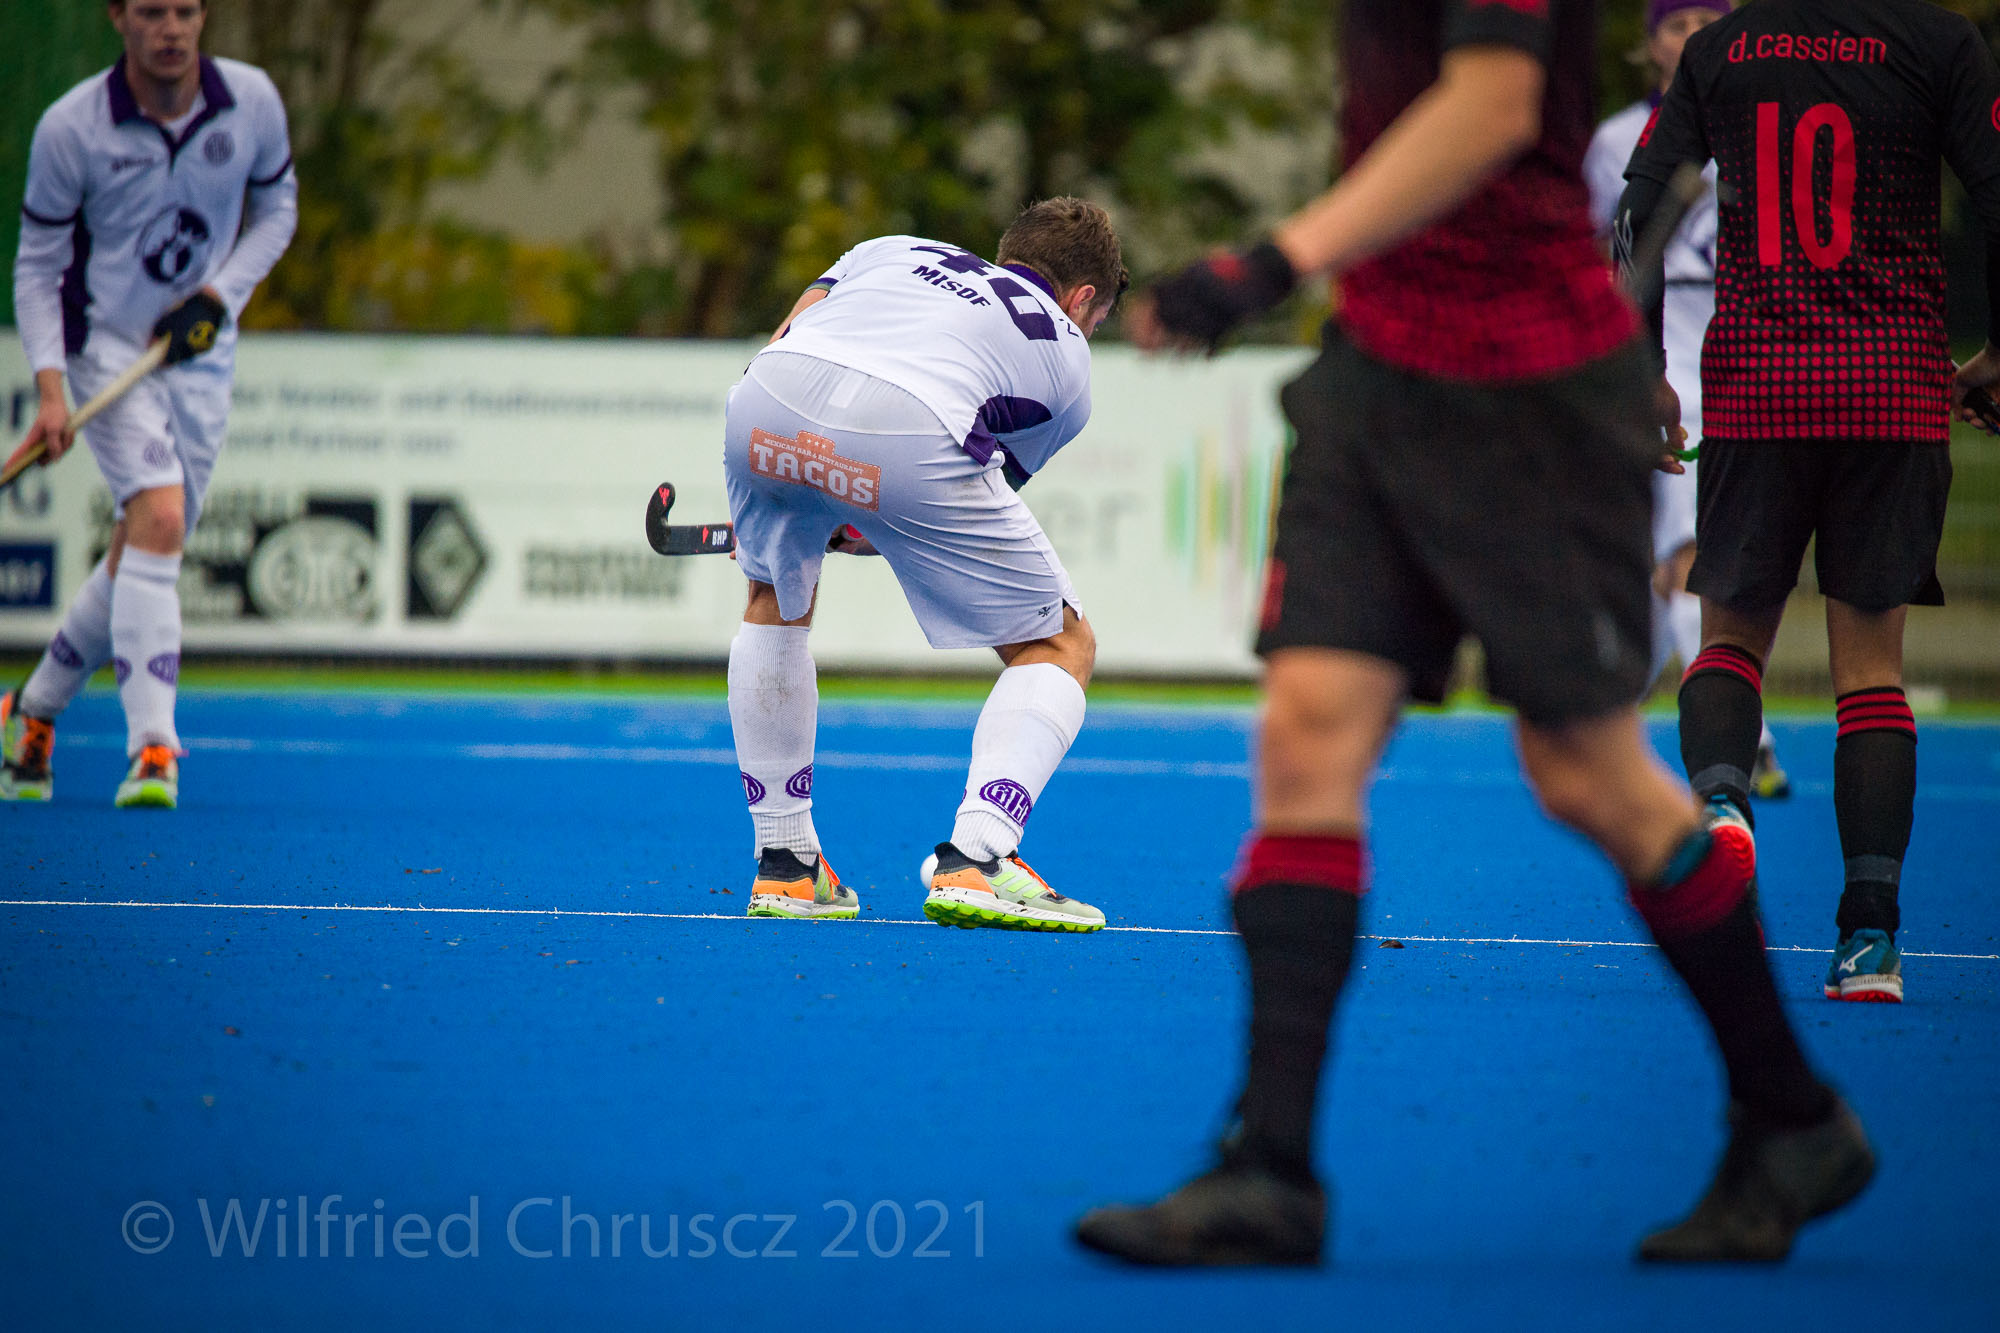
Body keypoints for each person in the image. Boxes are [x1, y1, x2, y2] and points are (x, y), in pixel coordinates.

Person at [1074, 0, 1870, 1268]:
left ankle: (1791, 1116)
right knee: (1306, 732)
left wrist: (1269, 259)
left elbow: (1491, 108)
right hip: (1374, 376)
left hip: (1529, 389)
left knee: (1585, 773)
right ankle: (1270, 1171)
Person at [1617, 0, 2000, 1004]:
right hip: (1893, 385)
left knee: (1728, 642)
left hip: (1758, 383)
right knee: (1870, 677)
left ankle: (1719, 805)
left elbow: (1638, 210)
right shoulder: (1938, 41)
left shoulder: (1721, 47)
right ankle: (1869, 938)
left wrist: (1645, 373)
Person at [721, 198, 1126, 932]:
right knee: (1058, 642)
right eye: (1096, 318)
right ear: (1083, 298)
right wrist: (862, 520)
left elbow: (785, 338)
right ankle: (978, 857)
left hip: (764, 398)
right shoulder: (1065, 349)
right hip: (908, 429)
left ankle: (786, 866)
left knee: (773, 597)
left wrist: (803, 494)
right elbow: (965, 483)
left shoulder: (889, 248)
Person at [2, 0, 296, 808]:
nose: (171, 27)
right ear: (118, 17)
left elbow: (278, 211)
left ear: (204, 17)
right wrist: (51, 388)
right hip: (105, 348)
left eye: (186, 10)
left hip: (198, 354)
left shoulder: (252, 102)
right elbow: (37, 267)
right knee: (161, 520)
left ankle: (31, 711)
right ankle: (154, 747)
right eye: (152, 11)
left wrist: (218, 296)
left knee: (144, 546)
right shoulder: (72, 128)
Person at [1583, 0, 1792, 800]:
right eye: (1677, 22)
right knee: (1684, 555)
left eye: (1712, 16)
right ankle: (1750, 740)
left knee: (1691, 557)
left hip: (1747, 360)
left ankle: (1599, 705)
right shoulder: (1615, 141)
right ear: (1649, 44)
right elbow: (1602, 246)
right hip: (1663, 363)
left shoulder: (1767, 122)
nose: (1695, 34)